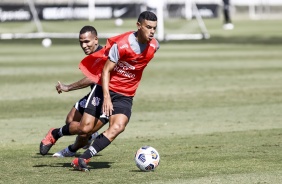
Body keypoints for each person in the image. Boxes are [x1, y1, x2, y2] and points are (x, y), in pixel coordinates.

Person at [40, 11, 159, 171]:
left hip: (125, 95)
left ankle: (82, 159)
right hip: (106, 90)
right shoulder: (122, 45)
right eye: (148, 27)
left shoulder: (154, 46)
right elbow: (105, 71)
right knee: (84, 129)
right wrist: (107, 98)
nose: (151, 32)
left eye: (154, 28)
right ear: (138, 26)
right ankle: (56, 133)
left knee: (118, 127)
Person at [39, 25, 108, 157]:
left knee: (84, 130)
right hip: (94, 95)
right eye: (81, 42)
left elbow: (93, 79)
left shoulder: (104, 55)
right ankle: (88, 137)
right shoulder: (92, 55)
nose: (84, 46)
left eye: (87, 42)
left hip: (107, 99)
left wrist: (68, 87)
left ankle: (63, 141)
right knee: (70, 121)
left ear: (96, 40)